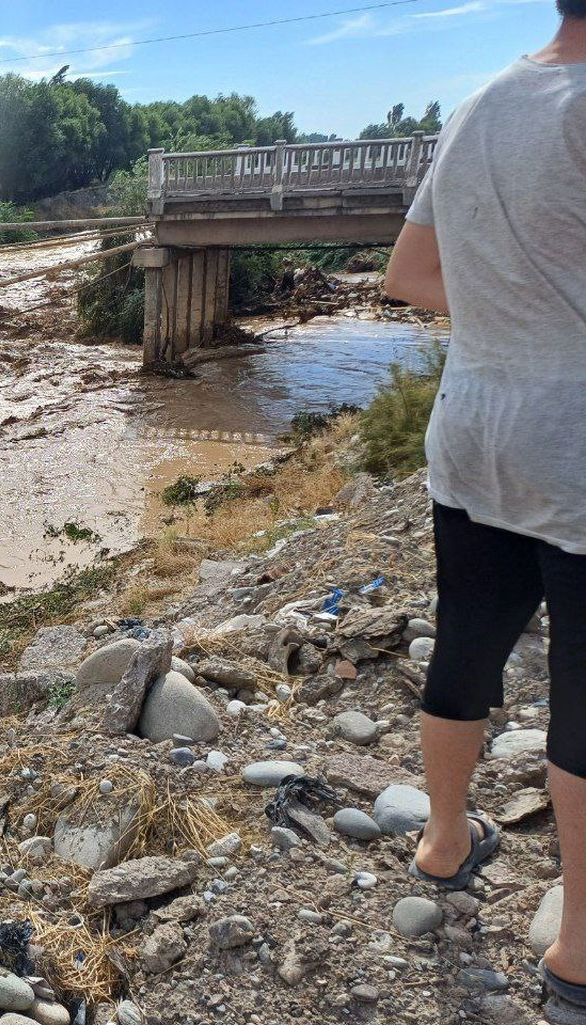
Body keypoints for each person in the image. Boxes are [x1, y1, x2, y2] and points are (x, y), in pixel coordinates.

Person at [385, 3, 586, 1020]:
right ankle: (580, 951)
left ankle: (443, 838)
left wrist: (515, 314)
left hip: (472, 426)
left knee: (465, 636)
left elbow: (409, 275)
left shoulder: (475, 105)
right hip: (577, 437)